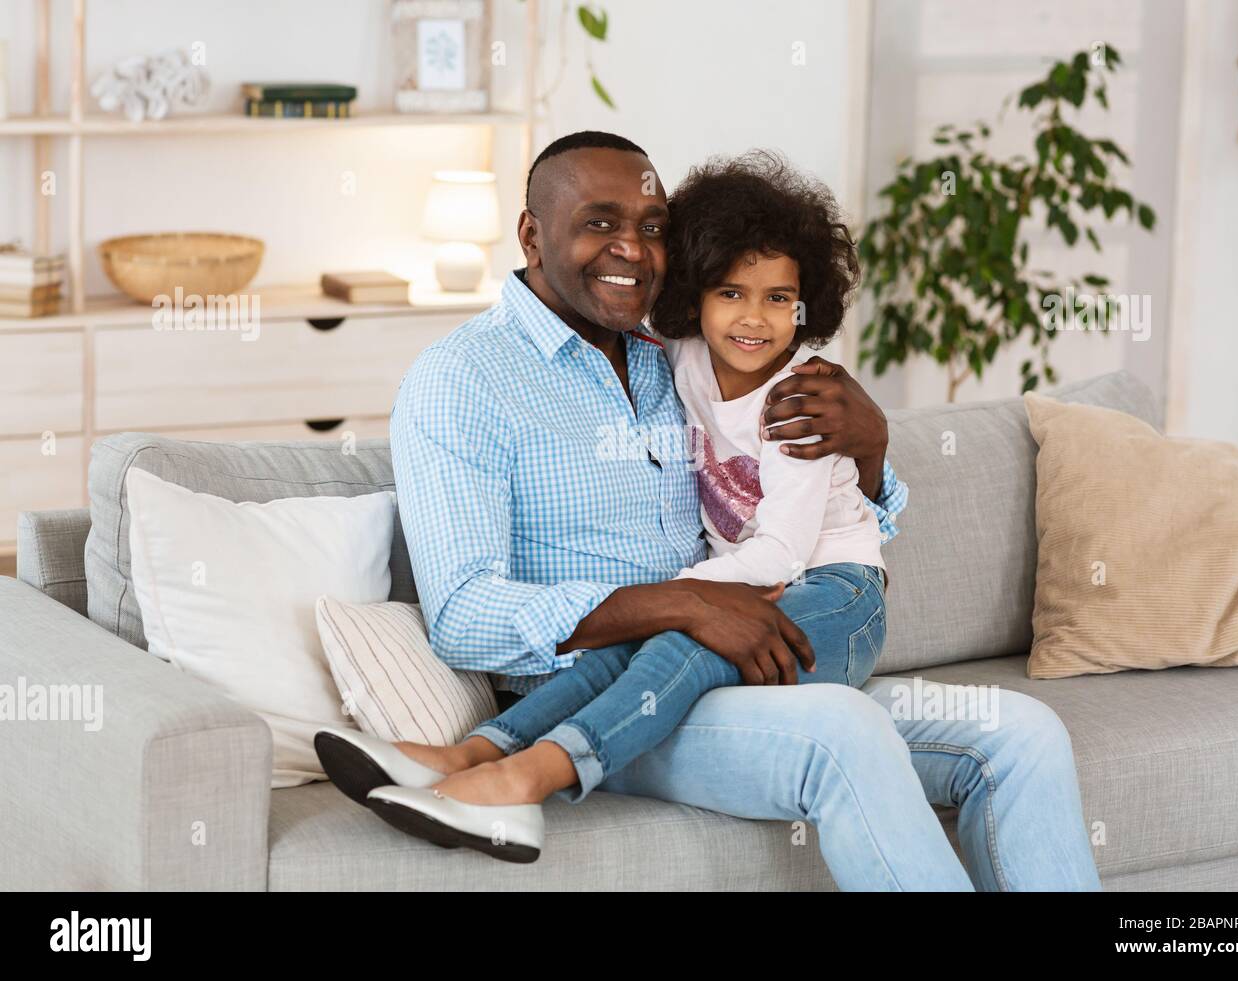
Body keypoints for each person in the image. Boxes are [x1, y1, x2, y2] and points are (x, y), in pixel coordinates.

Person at [316, 130, 1101, 890]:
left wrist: (869, 448)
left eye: (652, 228)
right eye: (599, 224)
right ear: (530, 233)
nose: (632, 249)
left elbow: (814, 519)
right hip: (604, 690)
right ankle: (501, 762)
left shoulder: (675, 356)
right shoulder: (461, 380)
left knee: (1022, 735)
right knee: (845, 732)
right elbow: (461, 615)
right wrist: (686, 604)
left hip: (742, 644)